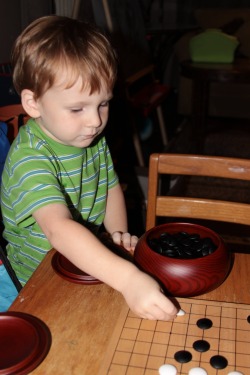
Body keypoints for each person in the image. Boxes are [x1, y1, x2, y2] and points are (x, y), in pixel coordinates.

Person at [0, 15, 177, 319]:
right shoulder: (29, 158)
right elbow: (58, 229)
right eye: (78, 108)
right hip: (29, 280)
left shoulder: (88, 138)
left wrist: (119, 233)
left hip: (80, 263)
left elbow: (109, 188)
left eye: (103, 103)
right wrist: (128, 279)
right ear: (33, 103)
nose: (95, 121)